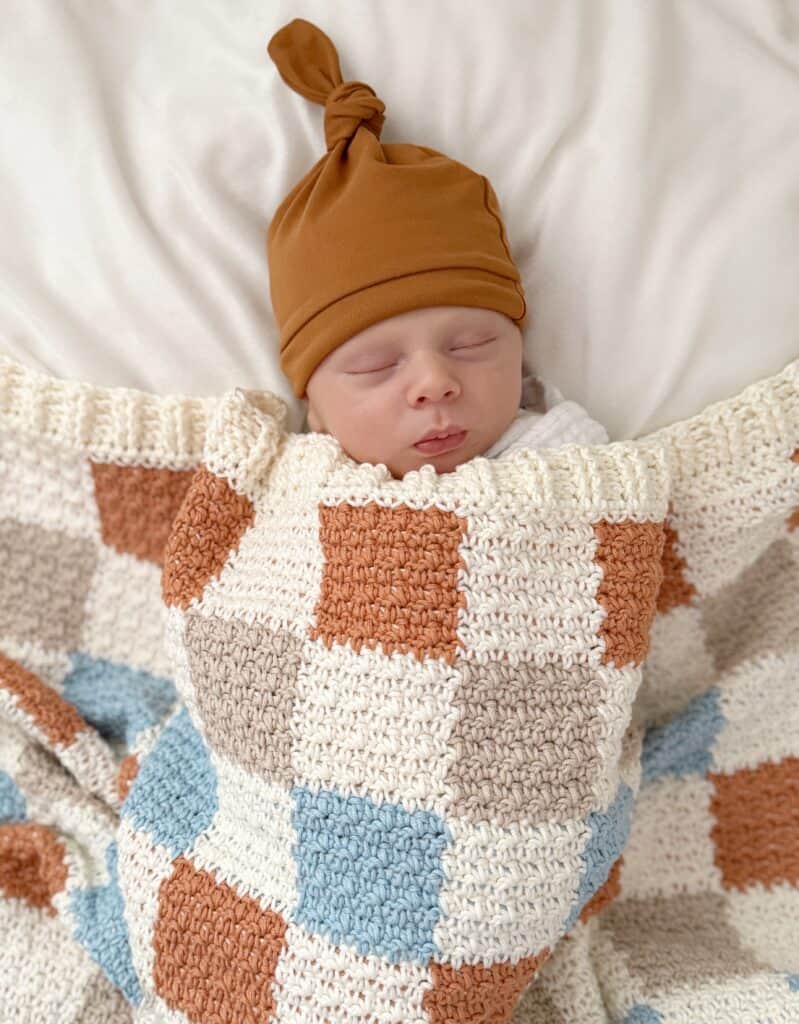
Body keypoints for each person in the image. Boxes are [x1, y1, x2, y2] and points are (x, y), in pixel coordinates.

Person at [266, 18, 607, 479]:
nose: (435, 383)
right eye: (376, 366)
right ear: (315, 411)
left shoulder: (571, 462)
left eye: (473, 344)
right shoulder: (289, 486)